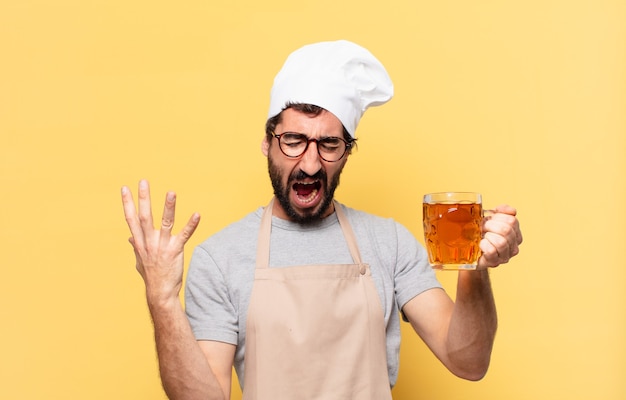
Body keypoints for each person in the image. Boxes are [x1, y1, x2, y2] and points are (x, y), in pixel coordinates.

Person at [121, 40, 523, 400]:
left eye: (329, 143)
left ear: (347, 151)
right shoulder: (220, 258)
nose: (310, 163)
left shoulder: (389, 243)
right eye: (294, 141)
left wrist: (475, 266)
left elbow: (468, 362)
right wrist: (161, 300)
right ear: (267, 142)